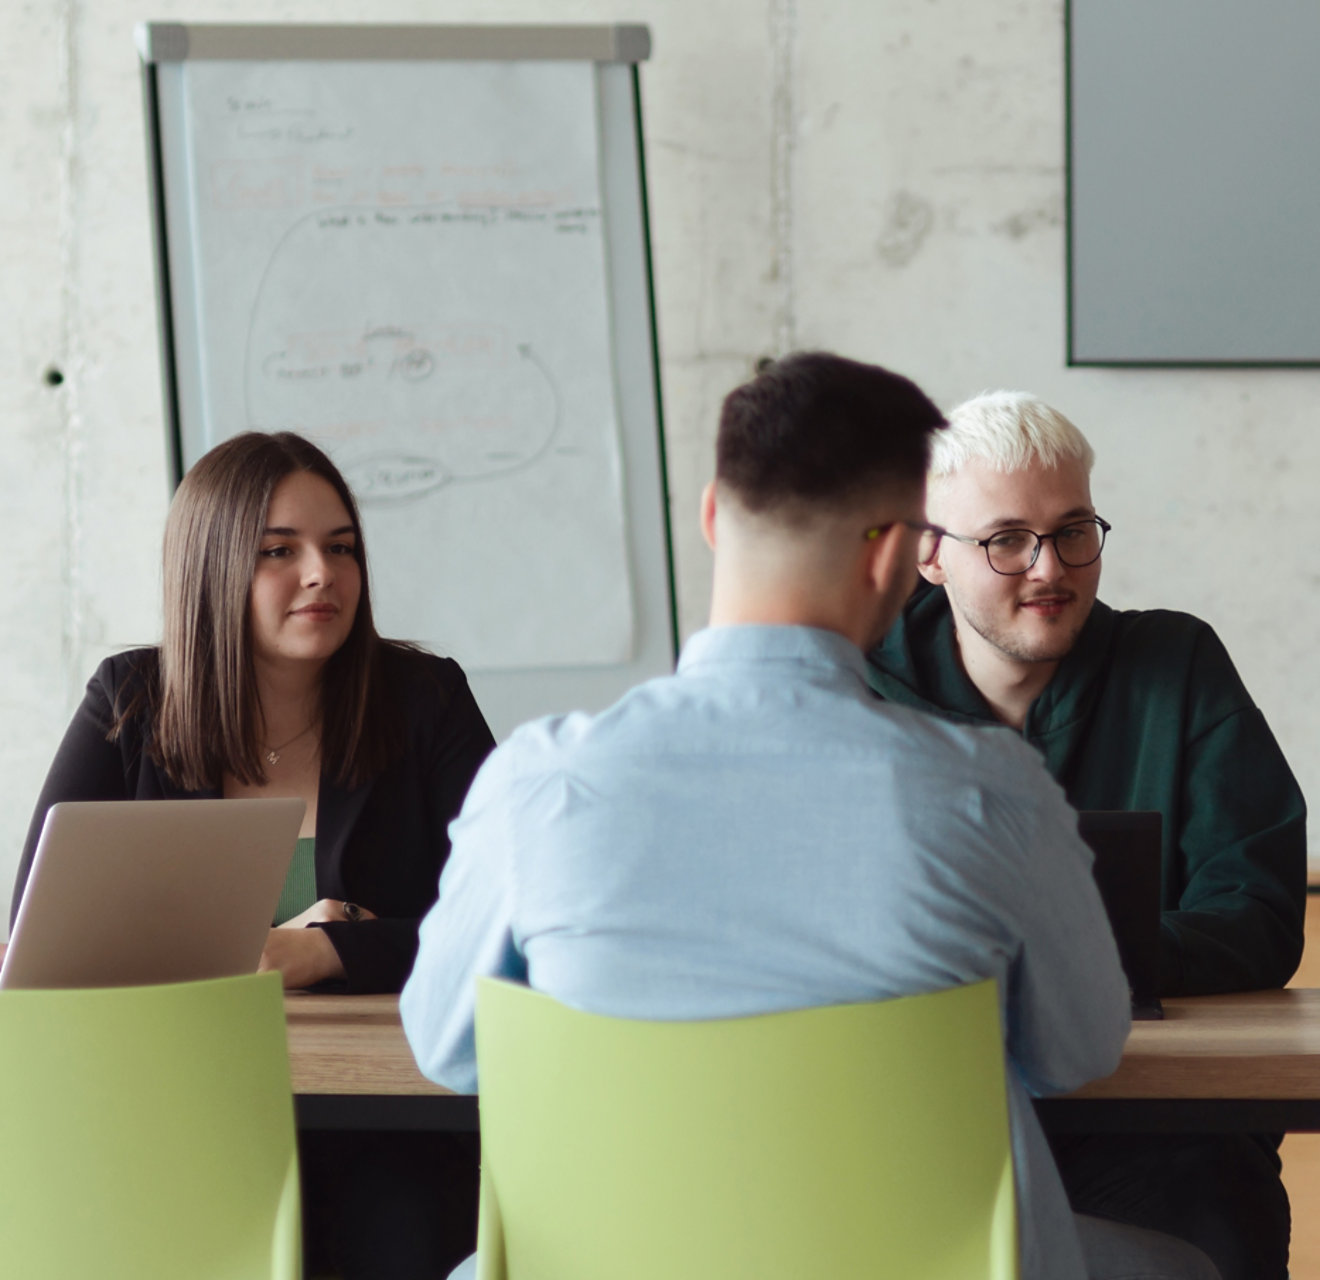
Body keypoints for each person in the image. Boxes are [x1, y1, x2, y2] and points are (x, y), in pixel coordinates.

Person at [402, 353, 1220, 1280]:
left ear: (714, 515)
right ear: (891, 555)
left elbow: (446, 1047)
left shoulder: (536, 783)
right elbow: (1077, 1048)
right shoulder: (990, 791)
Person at [13, 430, 496, 1279]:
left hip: (391, 1129)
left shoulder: (424, 702)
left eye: (340, 547)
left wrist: (319, 948)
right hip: (169, 1116)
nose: (323, 573)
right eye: (281, 550)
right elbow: (41, 948)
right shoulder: (129, 705)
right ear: (211, 566)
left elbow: (501, 917)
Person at [866, 390, 1305, 1280]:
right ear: (930, 555)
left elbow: (1256, 914)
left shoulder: (1177, 665)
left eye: (1074, 531)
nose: (1048, 568)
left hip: (1152, 1127)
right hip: (916, 1114)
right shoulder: (854, 691)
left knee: (1226, 1215)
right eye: (1006, 539)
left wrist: (1039, 958)